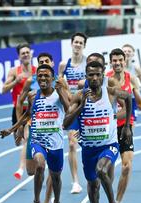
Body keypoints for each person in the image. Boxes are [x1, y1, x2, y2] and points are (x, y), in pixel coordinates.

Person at [63, 61, 132, 203]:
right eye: (91, 74)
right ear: (86, 76)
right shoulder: (79, 95)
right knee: (93, 187)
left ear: (103, 76)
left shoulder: (110, 92)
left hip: (108, 145)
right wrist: (81, 105)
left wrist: (126, 127)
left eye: (98, 74)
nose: (94, 78)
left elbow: (128, 97)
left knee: (102, 170)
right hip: (88, 150)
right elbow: (65, 123)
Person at [0, 64, 70, 203]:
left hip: (56, 143)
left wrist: (61, 92)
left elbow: (69, 110)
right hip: (38, 140)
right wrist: (12, 130)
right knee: (39, 164)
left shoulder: (59, 94)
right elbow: (27, 115)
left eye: (46, 76)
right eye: (40, 76)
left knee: (56, 177)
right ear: (37, 79)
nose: (43, 78)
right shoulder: (33, 96)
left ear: (52, 78)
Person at [16, 52, 62, 203]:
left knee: (51, 170)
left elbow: (68, 105)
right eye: (41, 62)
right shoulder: (31, 82)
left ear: (52, 63)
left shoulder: (59, 83)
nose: (44, 63)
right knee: (32, 170)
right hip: (34, 130)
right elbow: (21, 103)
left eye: (47, 61)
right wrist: (19, 127)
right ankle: (40, 201)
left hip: (54, 135)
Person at [108, 48, 141, 203]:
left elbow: (138, 102)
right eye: (115, 60)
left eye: (120, 60)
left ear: (125, 61)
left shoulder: (131, 78)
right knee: (107, 169)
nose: (118, 63)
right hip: (110, 127)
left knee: (127, 166)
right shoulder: (107, 79)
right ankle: (106, 202)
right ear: (111, 62)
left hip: (126, 127)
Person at [58, 32, 88, 194]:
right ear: (71, 44)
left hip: (87, 108)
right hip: (72, 109)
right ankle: (75, 181)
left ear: (84, 46)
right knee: (71, 143)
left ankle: (92, 174)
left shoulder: (88, 63)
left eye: (80, 42)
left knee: (88, 143)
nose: (77, 45)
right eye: (75, 42)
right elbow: (59, 85)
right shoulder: (64, 65)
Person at [2, 43, 37, 180]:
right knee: (18, 140)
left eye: (27, 52)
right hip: (18, 109)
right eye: (23, 53)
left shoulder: (36, 70)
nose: (26, 55)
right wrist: (16, 81)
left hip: (31, 110)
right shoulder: (14, 71)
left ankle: (22, 168)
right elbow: (4, 89)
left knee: (26, 138)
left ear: (31, 54)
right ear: (19, 57)